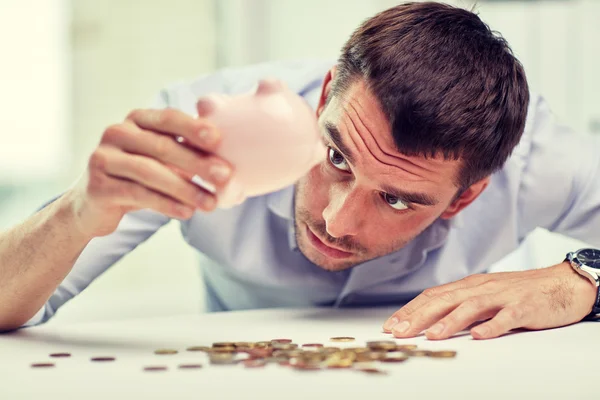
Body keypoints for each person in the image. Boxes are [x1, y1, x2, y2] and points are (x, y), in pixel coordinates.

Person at [1, 2, 599, 340]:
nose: (336, 221)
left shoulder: (539, 165)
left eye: (397, 199)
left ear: (466, 198)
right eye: (336, 157)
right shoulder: (207, 127)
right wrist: (76, 213)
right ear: (323, 100)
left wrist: (580, 279)